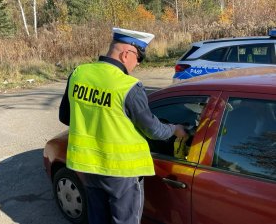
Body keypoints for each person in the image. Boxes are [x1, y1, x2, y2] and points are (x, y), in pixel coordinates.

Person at [59, 27, 187, 224]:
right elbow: (153, 130)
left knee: (98, 219)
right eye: (139, 58)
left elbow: (66, 117)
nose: (138, 64)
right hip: (122, 172)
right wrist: (176, 129)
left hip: (89, 166)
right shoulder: (128, 86)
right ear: (126, 53)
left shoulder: (78, 74)